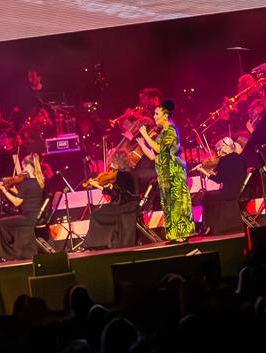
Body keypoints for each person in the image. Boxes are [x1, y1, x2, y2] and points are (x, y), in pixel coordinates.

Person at [138, 100, 195, 243]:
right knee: (169, 204)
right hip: (164, 174)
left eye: (157, 114)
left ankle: (182, 235)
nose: (154, 116)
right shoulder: (163, 132)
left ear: (165, 115)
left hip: (173, 172)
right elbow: (153, 156)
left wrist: (145, 135)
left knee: (177, 203)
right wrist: (143, 144)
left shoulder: (171, 130)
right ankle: (174, 234)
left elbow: (159, 148)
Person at [0, 152, 44, 261]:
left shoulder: (26, 183)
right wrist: (12, 190)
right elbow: (26, 195)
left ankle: (8, 254)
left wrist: (4, 190)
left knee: (1, 222)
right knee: (7, 221)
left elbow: (17, 202)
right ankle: (13, 248)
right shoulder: (38, 181)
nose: (22, 170)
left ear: (28, 166)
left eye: (23, 166)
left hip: (28, 218)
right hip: (35, 216)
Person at [198, 137, 247, 236]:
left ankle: (207, 226)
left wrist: (204, 171)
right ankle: (212, 224)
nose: (219, 152)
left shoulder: (224, 160)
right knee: (212, 196)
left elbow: (218, 179)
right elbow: (230, 175)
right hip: (238, 191)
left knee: (206, 196)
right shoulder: (242, 159)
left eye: (220, 149)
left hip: (227, 193)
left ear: (226, 147)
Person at [81, 170, 140, 250]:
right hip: (125, 205)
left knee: (96, 215)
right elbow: (117, 193)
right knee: (98, 213)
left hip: (125, 207)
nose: (111, 171)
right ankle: (103, 242)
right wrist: (107, 186)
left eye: (113, 168)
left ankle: (97, 243)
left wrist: (98, 186)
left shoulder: (122, 175)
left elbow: (117, 194)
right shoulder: (127, 174)